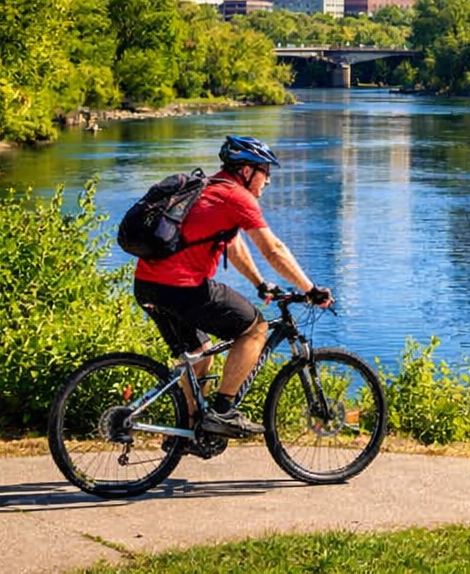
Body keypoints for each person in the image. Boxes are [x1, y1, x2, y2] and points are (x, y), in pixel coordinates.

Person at [133, 135, 333, 439]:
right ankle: (224, 411)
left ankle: (189, 432)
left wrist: (261, 284)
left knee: (200, 353)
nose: (268, 181)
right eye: (266, 172)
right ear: (247, 171)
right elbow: (274, 250)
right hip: (181, 287)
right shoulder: (237, 198)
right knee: (255, 328)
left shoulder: (210, 189)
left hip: (149, 285)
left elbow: (235, 247)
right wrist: (310, 289)